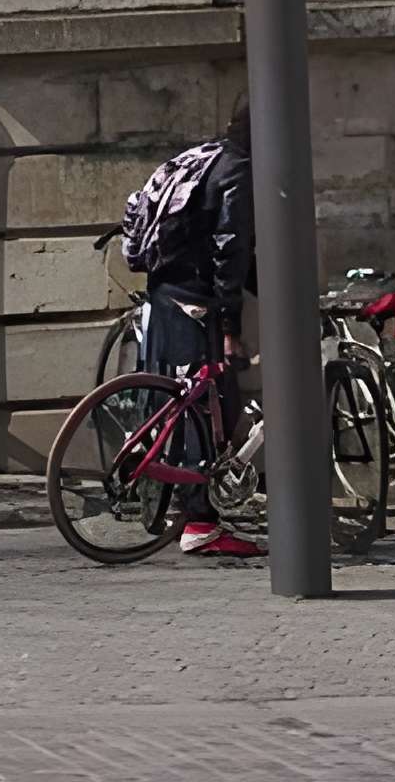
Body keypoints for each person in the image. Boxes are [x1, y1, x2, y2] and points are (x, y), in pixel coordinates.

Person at [140, 99, 259, 558]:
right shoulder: (239, 170)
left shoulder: (206, 156)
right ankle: (202, 524)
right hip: (196, 300)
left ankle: (176, 510)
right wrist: (230, 324)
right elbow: (230, 248)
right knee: (215, 406)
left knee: (178, 401)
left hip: (165, 291)